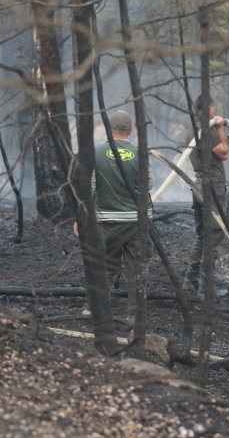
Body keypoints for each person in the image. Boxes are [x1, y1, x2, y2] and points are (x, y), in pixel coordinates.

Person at [75, 110, 152, 323]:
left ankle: (93, 309)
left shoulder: (96, 152)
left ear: (109, 129)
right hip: (136, 221)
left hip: (107, 220)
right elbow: (149, 185)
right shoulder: (140, 152)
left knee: (103, 265)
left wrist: (81, 219)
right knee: (137, 269)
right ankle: (136, 316)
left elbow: (89, 188)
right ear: (131, 131)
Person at [186, 94, 229, 297]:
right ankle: (205, 288)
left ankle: (191, 281)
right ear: (210, 109)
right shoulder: (208, 129)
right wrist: (220, 128)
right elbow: (224, 154)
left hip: (199, 184)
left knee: (203, 235)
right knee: (214, 234)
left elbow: (219, 149)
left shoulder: (195, 130)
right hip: (212, 185)